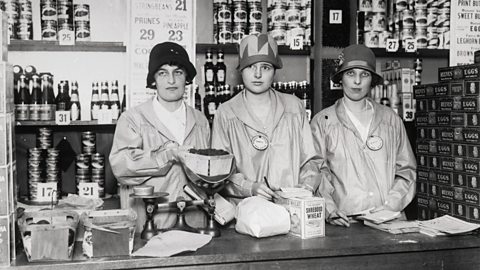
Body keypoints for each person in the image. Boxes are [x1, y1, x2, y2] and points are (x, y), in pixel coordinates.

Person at [310, 44, 416, 227]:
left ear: (372, 80)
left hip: (390, 221)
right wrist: (329, 210)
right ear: (340, 79)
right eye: (350, 74)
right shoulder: (323, 122)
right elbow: (317, 173)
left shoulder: (390, 120)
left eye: (364, 74)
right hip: (345, 222)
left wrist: (391, 206)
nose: (357, 81)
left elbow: (406, 171)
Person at [109, 42, 210, 231]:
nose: (171, 80)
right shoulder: (133, 119)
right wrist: (167, 156)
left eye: (178, 72)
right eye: (163, 73)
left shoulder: (200, 120)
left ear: (186, 77)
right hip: (152, 225)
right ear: (153, 79)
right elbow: (121, 167)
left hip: (195, 221)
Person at [211, 33, 322, 201]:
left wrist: (306, 188)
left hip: (292, 210)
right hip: (247, 214)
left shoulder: (294, 107)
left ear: (274, 71)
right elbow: (220, 171)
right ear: (241, 70)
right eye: (250, 67)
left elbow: (310, 161)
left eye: (265, 67)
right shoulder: (225, 113)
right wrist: (249, 187)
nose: (257, 74)